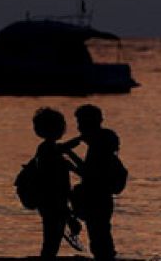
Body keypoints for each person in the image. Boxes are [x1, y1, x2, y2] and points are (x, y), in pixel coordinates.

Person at [66, 104, 121, 261]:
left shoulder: (97, 148)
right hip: (103, 198)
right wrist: (71, 153)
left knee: (99, 236)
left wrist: (70, 160)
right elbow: (88, 170)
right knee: (101, 233)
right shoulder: (102, 143)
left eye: (80, 122)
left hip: (97, 198)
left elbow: (89, 174)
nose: (79, 127)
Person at [30, 107, 79, 257]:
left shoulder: (46, 148)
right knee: (52, 241)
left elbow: (63, 148)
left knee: (51, 239)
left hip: (50, 201)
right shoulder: (49, 150)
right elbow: (56, 183)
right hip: (53, 200)